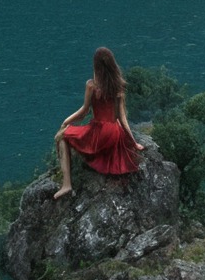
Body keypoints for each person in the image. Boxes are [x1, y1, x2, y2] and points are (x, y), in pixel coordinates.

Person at [53, 45, 145, 198]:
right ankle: (67, 183)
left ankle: (67, 184)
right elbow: (122, 119)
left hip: (99, 133)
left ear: (96, 65)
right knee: (96, 134)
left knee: (62, 137)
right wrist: (134, 143)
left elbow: (83, 112)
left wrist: (65, 122)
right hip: (114, 133)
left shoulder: (92, 86)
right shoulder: (118, 87)